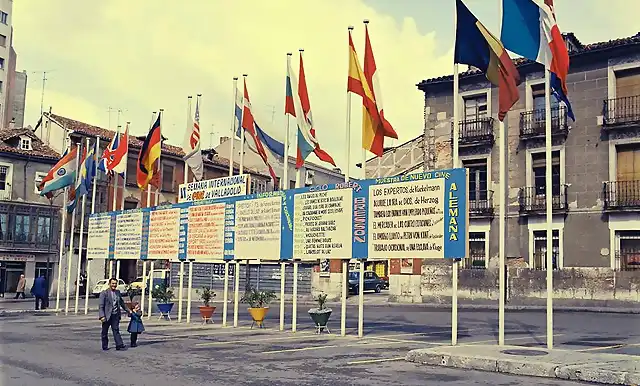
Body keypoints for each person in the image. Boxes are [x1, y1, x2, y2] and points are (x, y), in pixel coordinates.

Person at [98, 278, 130, 351]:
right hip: (107, 315)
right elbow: (101, 306)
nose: (114, 285)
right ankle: (105, 345)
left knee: (116, 330)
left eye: (115, 283)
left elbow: (121, 303)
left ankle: (119, 344)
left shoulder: (117, 292)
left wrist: (128, 311)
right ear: (109, 284)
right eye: (112, 283)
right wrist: (102, 316)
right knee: (104, 332)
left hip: (115, 315)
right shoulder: (104, 293)